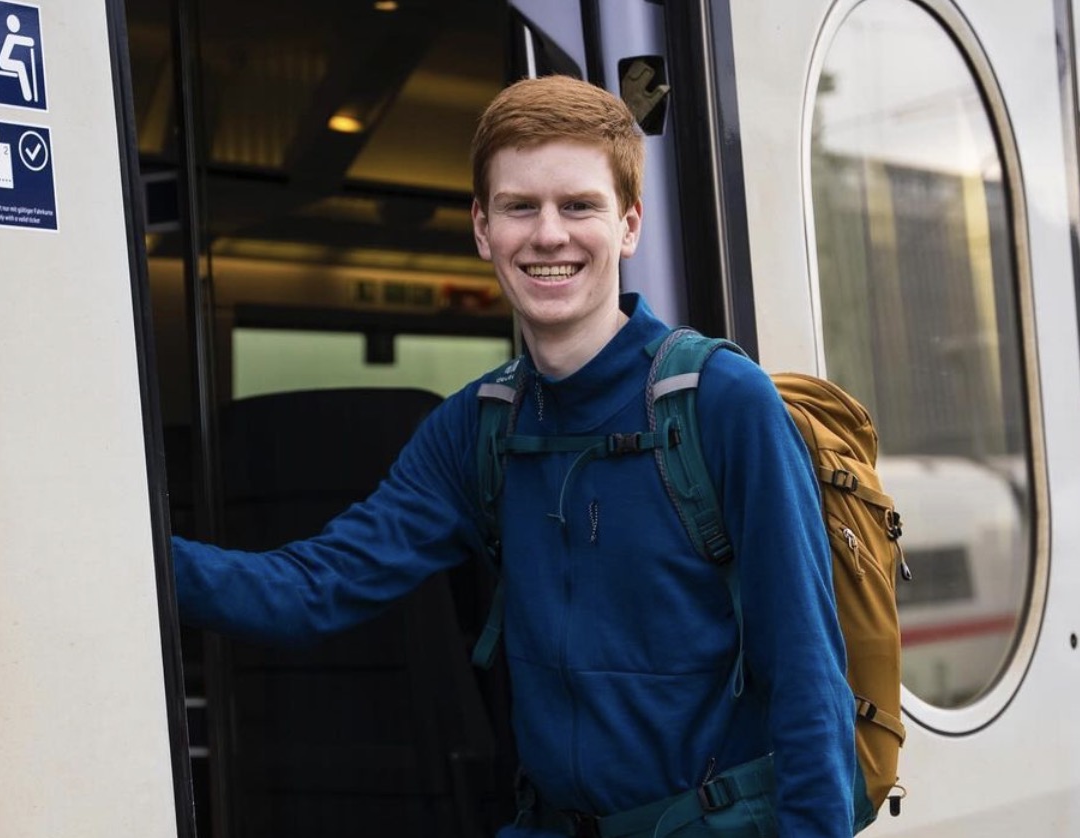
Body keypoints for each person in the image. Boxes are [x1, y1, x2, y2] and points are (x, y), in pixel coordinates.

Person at [173, 74, 855, 838]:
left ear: (629, 226)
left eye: (580, 206)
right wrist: (131, 562)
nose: (549, 235)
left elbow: (809, 680)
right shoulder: (475, 427)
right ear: (481, 228)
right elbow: (313, 589)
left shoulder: (723, 401)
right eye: (520, 207)